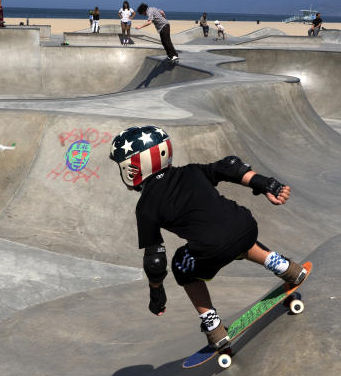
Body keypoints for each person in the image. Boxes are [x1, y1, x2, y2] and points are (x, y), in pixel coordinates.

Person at [108, 125, 309, 348]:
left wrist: (157, 294)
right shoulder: (191, 171)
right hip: (246, 226)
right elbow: (229, 167)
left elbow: (155, 262)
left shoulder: (145, 207)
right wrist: (266, 184)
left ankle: (213, 327)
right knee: (233, 234)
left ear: (133, 167)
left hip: (212, 247)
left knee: (180, 265)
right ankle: (281, 265)